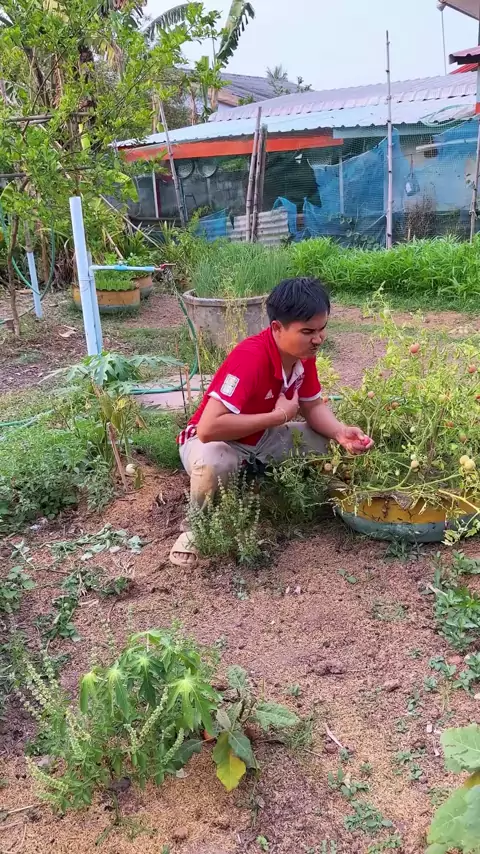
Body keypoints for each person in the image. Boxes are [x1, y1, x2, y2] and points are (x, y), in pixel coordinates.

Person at [169, 277, 373, 566]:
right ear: (277, 328)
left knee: (323, 442)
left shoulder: (303, 356)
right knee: (217, 462)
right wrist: (278, 416)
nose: (318, 339)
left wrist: (340, 432)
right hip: (215, 442)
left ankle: (266, 485)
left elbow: (313, 406)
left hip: (262, 437)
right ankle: (195, 527)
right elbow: (208, 429)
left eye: (322, 329)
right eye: (307, 331)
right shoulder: (250, 357)